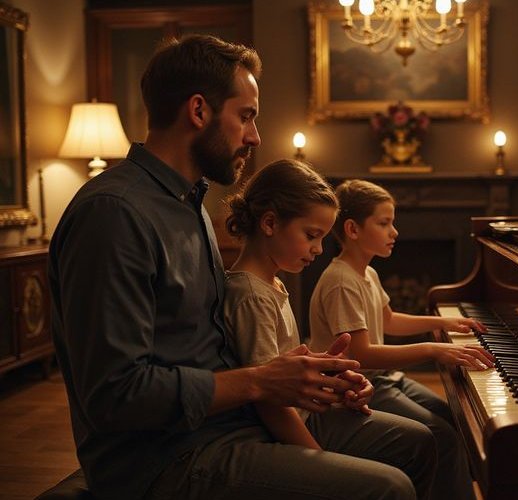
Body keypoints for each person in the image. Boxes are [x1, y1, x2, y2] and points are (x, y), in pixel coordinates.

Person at [48, 35, 433, 500]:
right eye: (246, 115)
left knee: (421, 444)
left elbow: (213, 347)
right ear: (198, 111)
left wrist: (308, 375)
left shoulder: (189, 204)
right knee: (387, 489)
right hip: (164, 458)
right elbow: (115, 395)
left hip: (228, 423)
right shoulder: (114, 213)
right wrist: (260, 381)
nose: (255, 136)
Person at [223, 158, 437, 479]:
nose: (319, 249)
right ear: (269, 223)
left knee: (421, 438)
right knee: (413, 451)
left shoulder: (273, 283)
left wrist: (337, 382)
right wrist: (316, 459)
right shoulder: (251, 294)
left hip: (307, 409)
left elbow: (286, 365)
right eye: (311, 235)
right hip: (296, 423)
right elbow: (270, 398)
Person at [309, 179, 496, 500]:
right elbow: (362, 354)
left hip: (384, 379)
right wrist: (433, 349)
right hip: (358, 386)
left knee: (457, 418)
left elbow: (389, 320)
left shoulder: (366, 273)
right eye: (384, 223)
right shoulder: (341, 281)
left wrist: (445, 321)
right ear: (353, 230)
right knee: (442, 437)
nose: (394, 232)